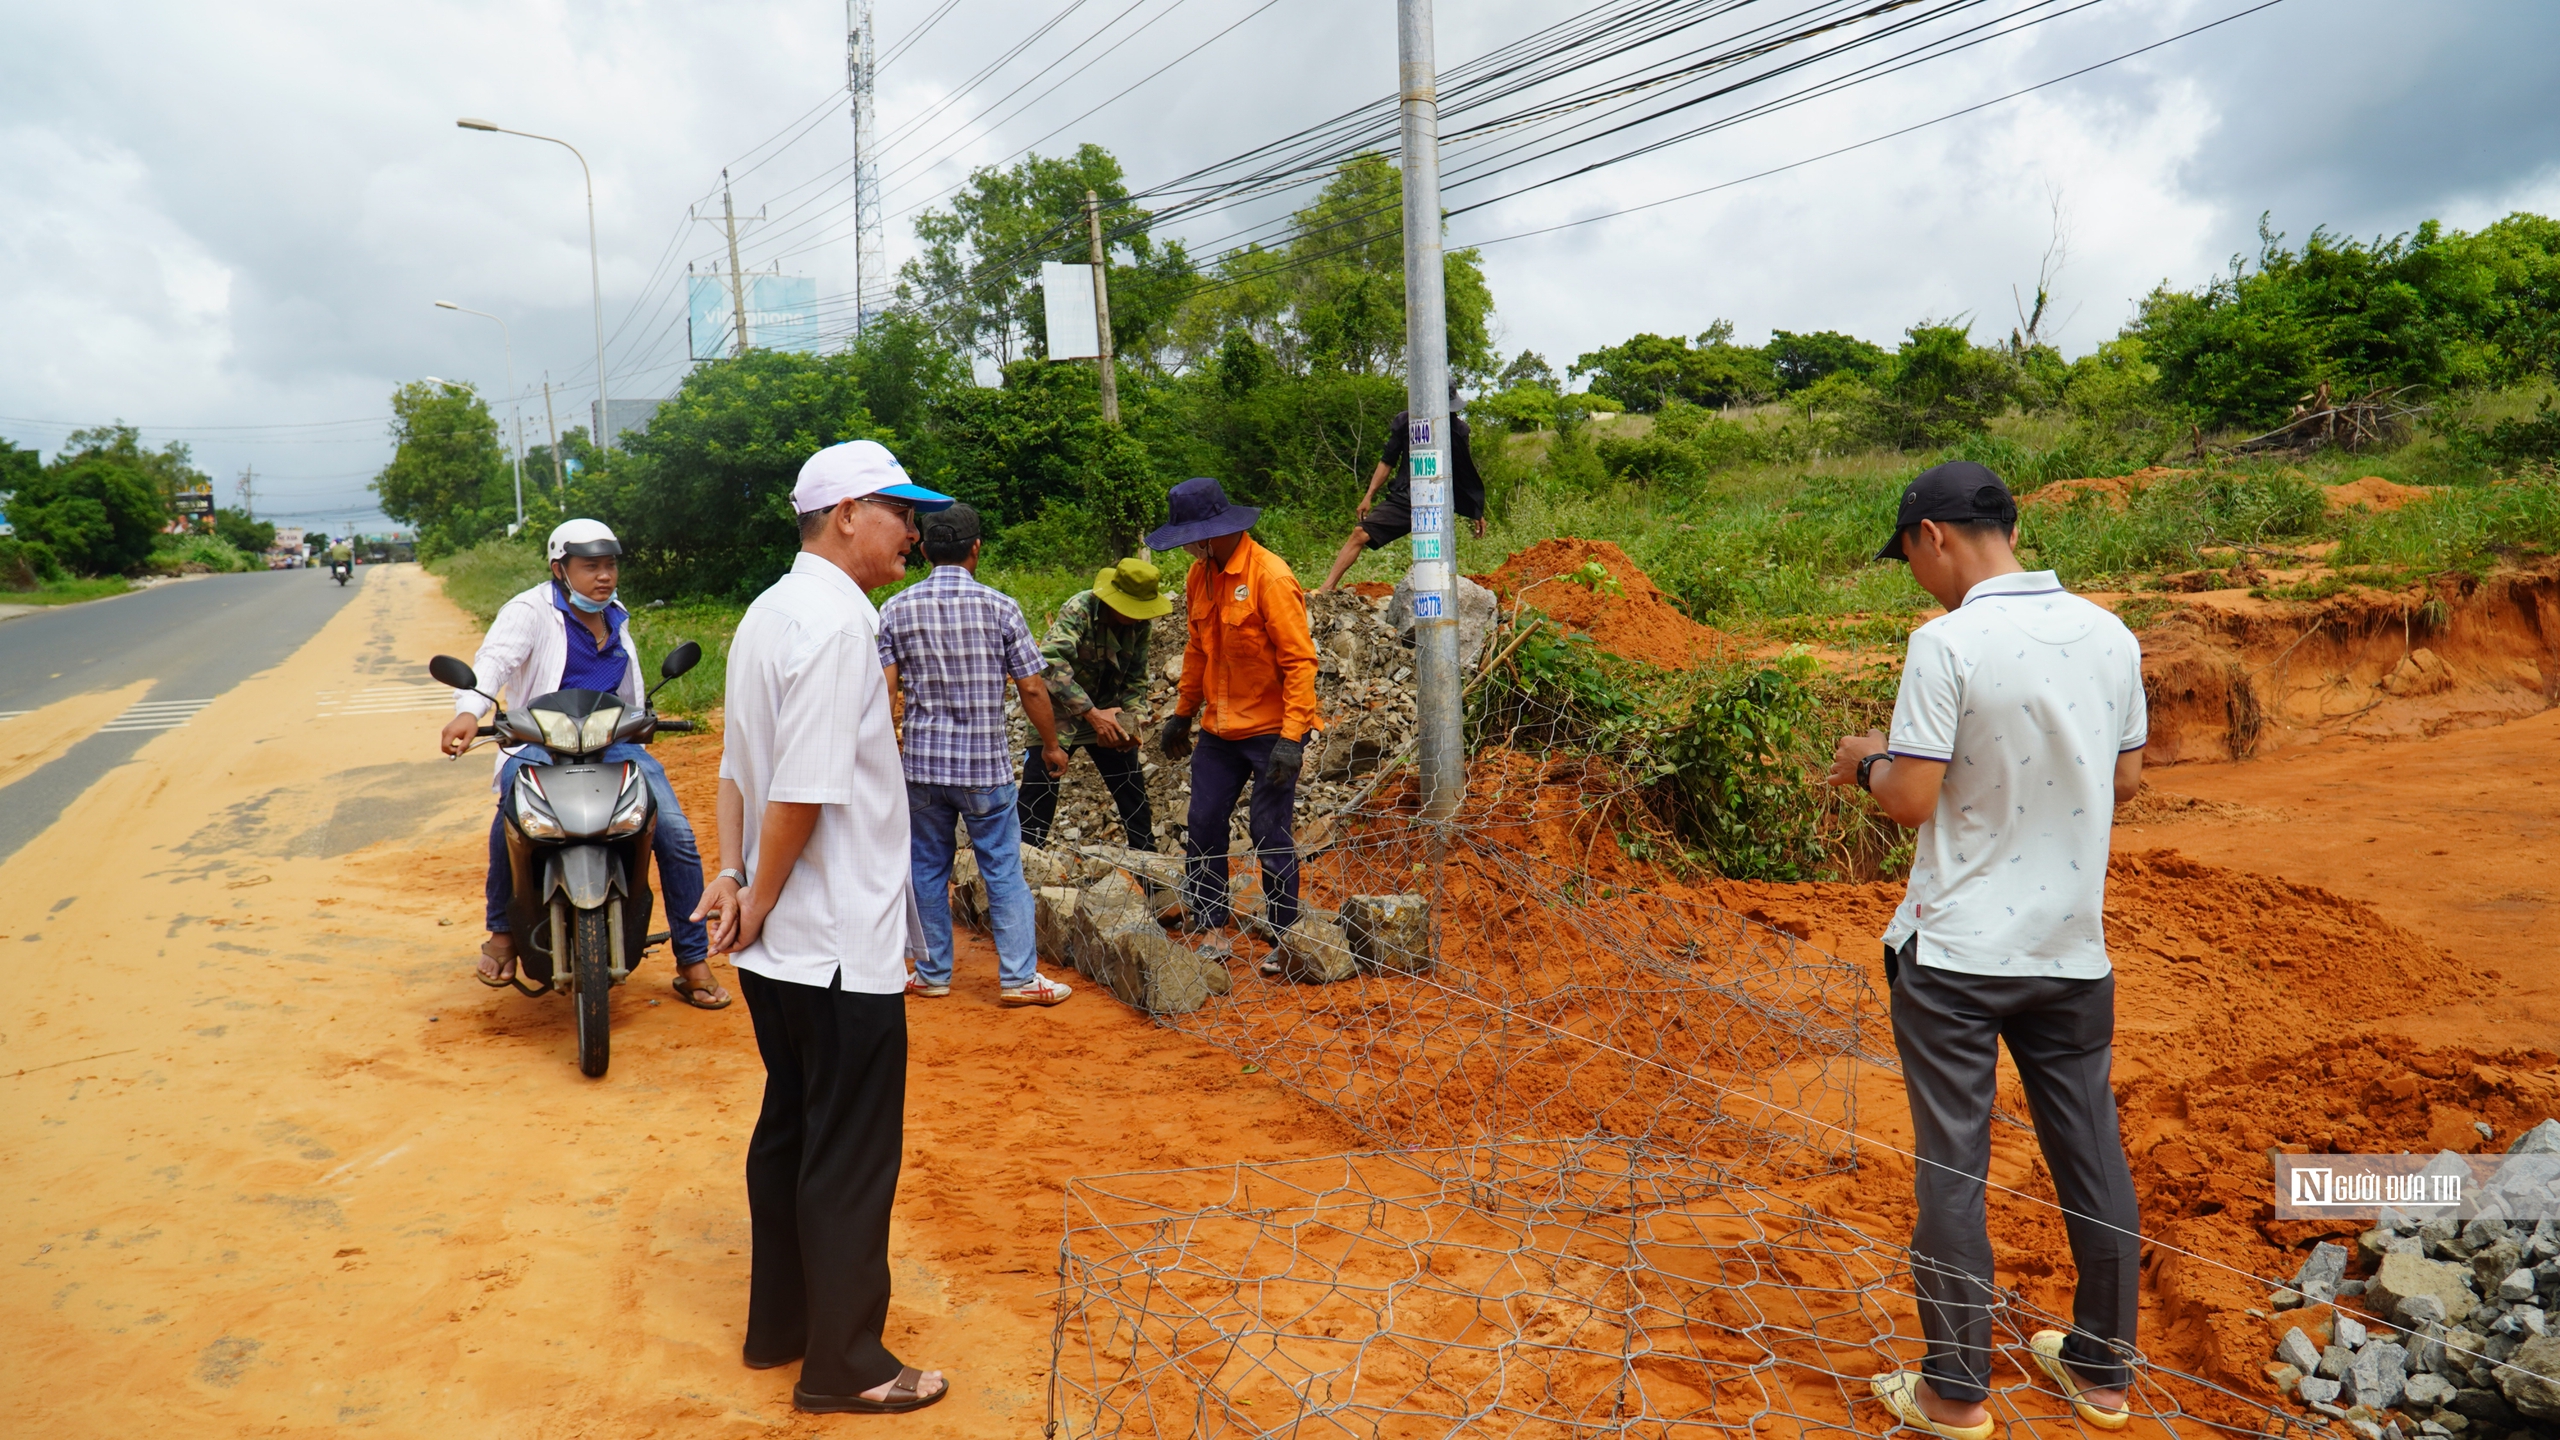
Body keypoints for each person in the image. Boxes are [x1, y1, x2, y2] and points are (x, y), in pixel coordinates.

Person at [1825, 462, 2146, 1440]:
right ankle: (2100, 1376)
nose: (1915, 575)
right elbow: (2126, 783)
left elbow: (1911, 800)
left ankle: (1954, 1396)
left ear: (1932, 536)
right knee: (2089, 1149)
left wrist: (1863, 762)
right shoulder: (2110, 633)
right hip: (2070, 952)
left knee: (1952, 1168)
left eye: (1909, 557)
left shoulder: (1946, 642)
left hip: (1958, 958)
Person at [690, 439, 952, 1415]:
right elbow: (799, 785)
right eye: (898, 511)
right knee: (848, 1149)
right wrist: (757, 889)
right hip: (838, 940)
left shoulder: (767, 612)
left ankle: (783, 1327)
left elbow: (735, 768)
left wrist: (734, 876)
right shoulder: (841, 625)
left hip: (779, 948)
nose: (912, 531)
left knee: (792, 1130)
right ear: (846, 513)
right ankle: (846, 1365)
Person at [438, 518, 722, 1009]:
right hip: (539, 740)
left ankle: (692, 957)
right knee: (511, 818)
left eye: (610, 565)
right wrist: (469, 712)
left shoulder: (615, 616)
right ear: (559, 568)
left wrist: (646, 720)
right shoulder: (529, 610)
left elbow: (628, 693)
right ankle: (503, 933)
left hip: (612, 741)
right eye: (591, 566)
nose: (605, 576)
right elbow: (493, 663)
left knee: (674, 831)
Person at [876, 502, 1075, 1008]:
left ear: (922, 549)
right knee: (1003, 868)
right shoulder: (1000, 607)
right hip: (984, 768)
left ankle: (931, 972)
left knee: (926, 866)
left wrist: (883, 755)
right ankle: (1019, 979)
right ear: (976, 548)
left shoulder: (895, 610)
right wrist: (1050, 746)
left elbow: (886, 693)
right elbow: (1032, 688)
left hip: (921, 767)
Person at [1144, 478, 1321, 952]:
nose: (1184, 550)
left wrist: (1292, 737)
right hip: (1220, 729)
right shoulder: (1199, 575)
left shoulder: (1270, 577)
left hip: (1271, 732)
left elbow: (1300, 662)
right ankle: (1209, 923)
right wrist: (1183, 713)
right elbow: (1198, 648)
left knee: (1268, 830)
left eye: (1187, 540)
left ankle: (1286, 935)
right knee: (1202, 822)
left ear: (1209, 533)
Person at [1020, 556, 1173, 852]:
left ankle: (1150, 873)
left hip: (1107, 710)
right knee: (1039, 793)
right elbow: (1049, 662)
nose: (1138, 617)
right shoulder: (1080, 609)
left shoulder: (1139, 627)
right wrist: (1091, 713)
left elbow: (1136, 678)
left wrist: (1135, 719)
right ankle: (1027, 868)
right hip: (1058, 711)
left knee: (1131, 792)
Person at [1316, 384, 1487, 595]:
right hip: (1405, 499)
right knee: (1360, 532)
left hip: (1438, 503)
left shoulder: (1459, 430)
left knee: (1437, 560)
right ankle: (1327, 587)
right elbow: (1387, 460)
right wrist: (1368, 495)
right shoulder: (1406, 422)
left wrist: (1476, 510)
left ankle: (1447, 602)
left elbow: (1464, 471)